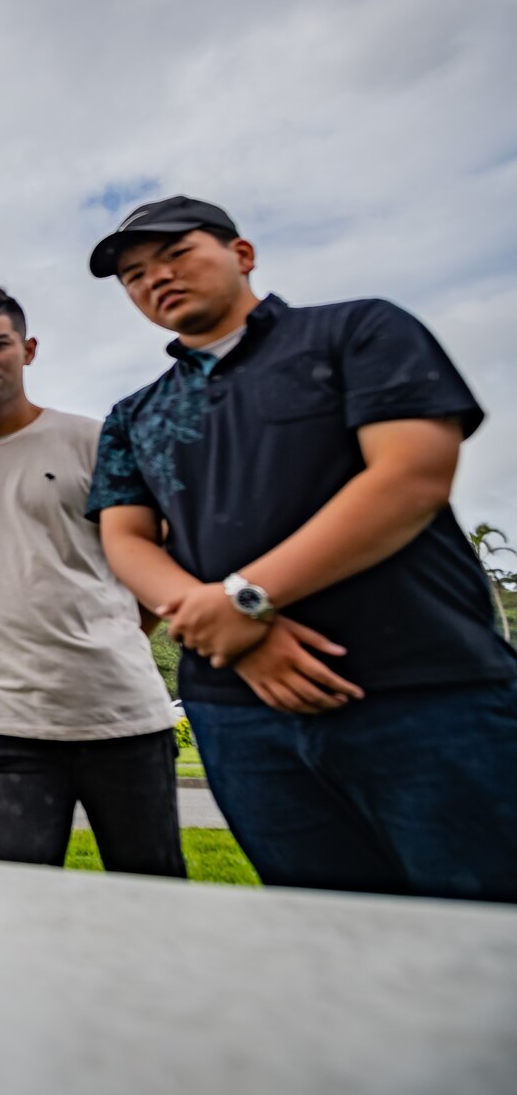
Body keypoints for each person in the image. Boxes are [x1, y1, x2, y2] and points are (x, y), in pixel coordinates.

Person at [85, 195, 517, 902]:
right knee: (331, 936)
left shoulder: (357, 330)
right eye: (133, 274)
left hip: (421, 689)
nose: (154, 278)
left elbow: (412, 475)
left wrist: (245, 599)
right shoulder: (135, 414)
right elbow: (125, 537)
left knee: (486, 926)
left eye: (175, 254)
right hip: (239, 708)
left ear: (242, 253)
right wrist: (234, 631)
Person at [0, 287, 183, 875]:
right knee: (13, 907)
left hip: (121, 712)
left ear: (28, 350)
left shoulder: (96, 439)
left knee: (155, 897)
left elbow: (153, 557)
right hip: (6, 721)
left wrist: (116, 635)